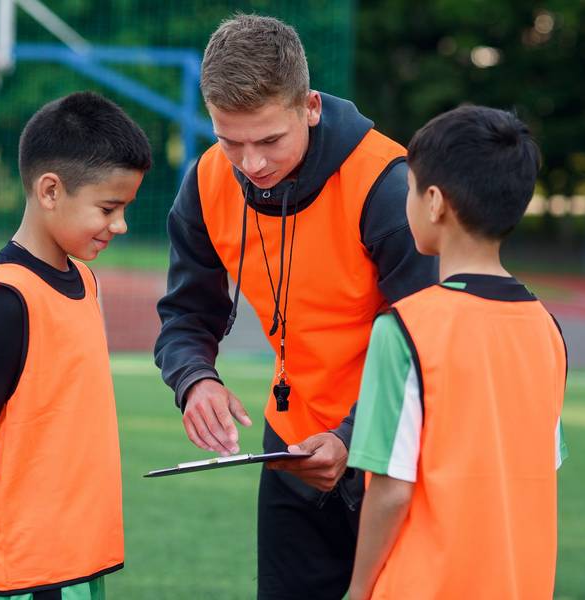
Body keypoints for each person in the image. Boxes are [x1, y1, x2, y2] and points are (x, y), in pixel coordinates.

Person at [153, 13, 437, 599]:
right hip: (291, 452)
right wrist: (195, 379)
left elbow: (434, 344)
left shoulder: (387, 186)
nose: (251, 164)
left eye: (269, 140)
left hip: (395, 458)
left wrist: (354, 438)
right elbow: (185, 316)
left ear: (309, 106)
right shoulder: (206, 182)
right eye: (230, 140)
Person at [347, 105, 569, 600]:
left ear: (434, 202)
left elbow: (390, 488)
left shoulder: (403, 328)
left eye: (407, 189)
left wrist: (359, 588)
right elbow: (538, 471)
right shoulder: (547, 331)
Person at [0, 91, 151, 600]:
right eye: (109, 207)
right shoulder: (10, 299)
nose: (120, 225)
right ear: (51, 190)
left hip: (77, 558)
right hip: (34, 566)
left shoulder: (84, 278)